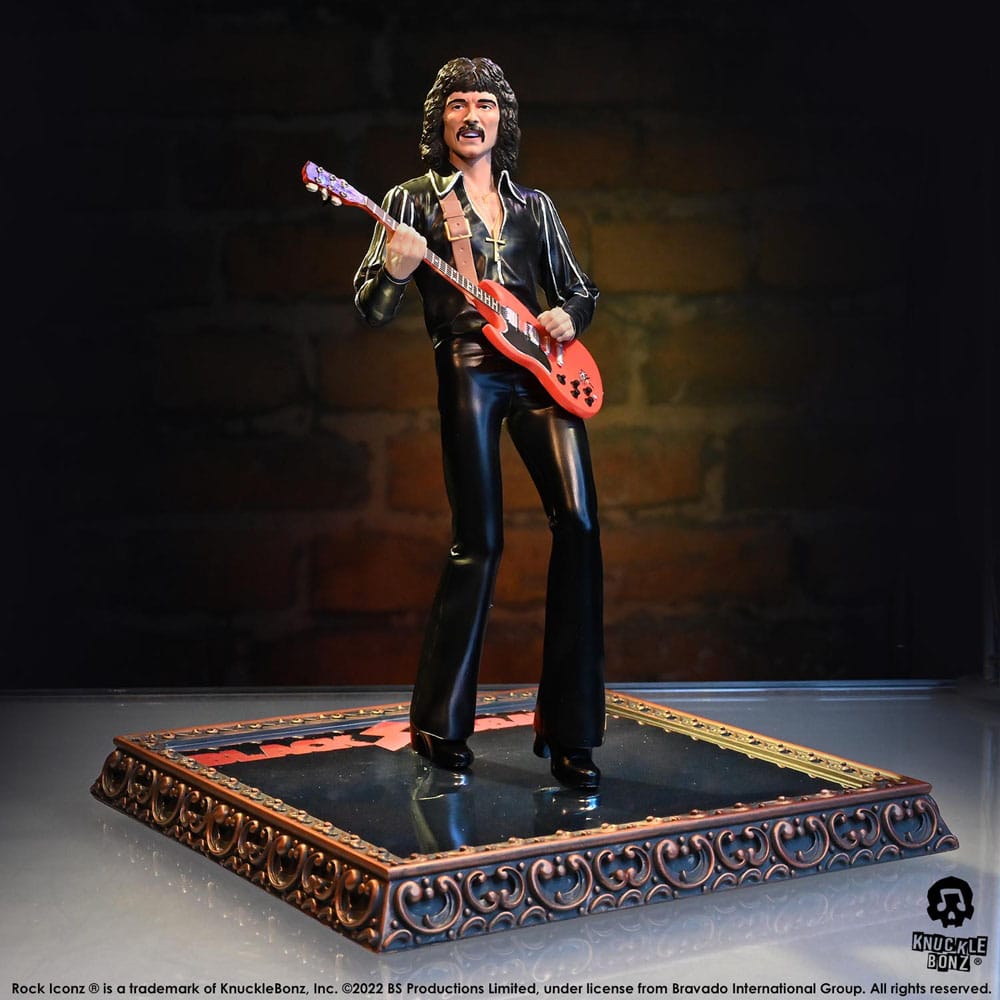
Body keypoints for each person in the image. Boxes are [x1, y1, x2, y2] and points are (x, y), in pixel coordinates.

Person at [352, 56, 605, 791]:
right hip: (468, 365)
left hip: (541, 370)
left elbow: (580, 289)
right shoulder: (412, 200)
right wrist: (397, 269)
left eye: (485, 104)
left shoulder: (534, 207)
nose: (472, 116)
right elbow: (370, 307)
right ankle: (439, 721)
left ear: (503, 119)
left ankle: (572, 732)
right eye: (459, 103)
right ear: (440, 121)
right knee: (480, 539)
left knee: (581, 525)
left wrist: (569, 315)